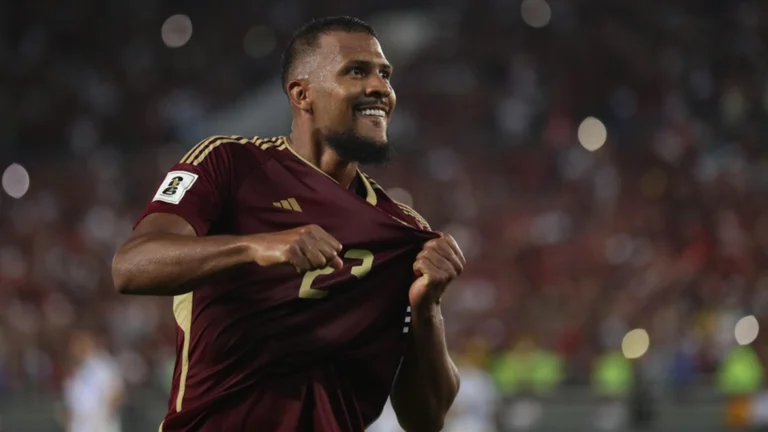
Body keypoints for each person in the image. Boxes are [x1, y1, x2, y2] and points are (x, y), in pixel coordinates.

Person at [112, 16, 465, 432]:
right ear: (302, 94)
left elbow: (426, 419)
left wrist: (427, 309)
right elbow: (131, 266)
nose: (380, 88)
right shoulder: (229, 164)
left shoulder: (401, 230)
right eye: (357, 71)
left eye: (385, 75)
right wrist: (255, 246)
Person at [62, 330, 125, 432]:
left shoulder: (104, 365)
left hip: (100, 424)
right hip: (79, 425)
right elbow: (71, 406)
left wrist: (103, 418)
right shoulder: (74, 371)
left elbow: (117, 394)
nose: (75, 347)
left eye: (80, 342)